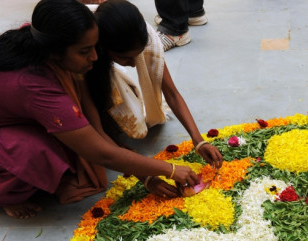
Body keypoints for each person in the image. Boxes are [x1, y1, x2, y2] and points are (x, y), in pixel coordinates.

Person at [0, 0, 200, 224]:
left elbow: (91, 126)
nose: (95, 58)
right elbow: (99, 151)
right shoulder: (35, 84)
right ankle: (3, 195)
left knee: (70, 142)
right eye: (85, 51)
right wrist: (170, 169)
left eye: (96, 48)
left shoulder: (47, 50)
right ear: (56, 51)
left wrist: (147, 174)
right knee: (40, 152)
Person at [87, 0, 222, 198]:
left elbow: (172, 93)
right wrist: (147, 176)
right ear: (103, 49)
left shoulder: (144, 36)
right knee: (91, 168)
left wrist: (199, 140)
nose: (134, 64)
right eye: (125, 59)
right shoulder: (86, 57)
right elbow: (97, 134)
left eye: (137, 55)